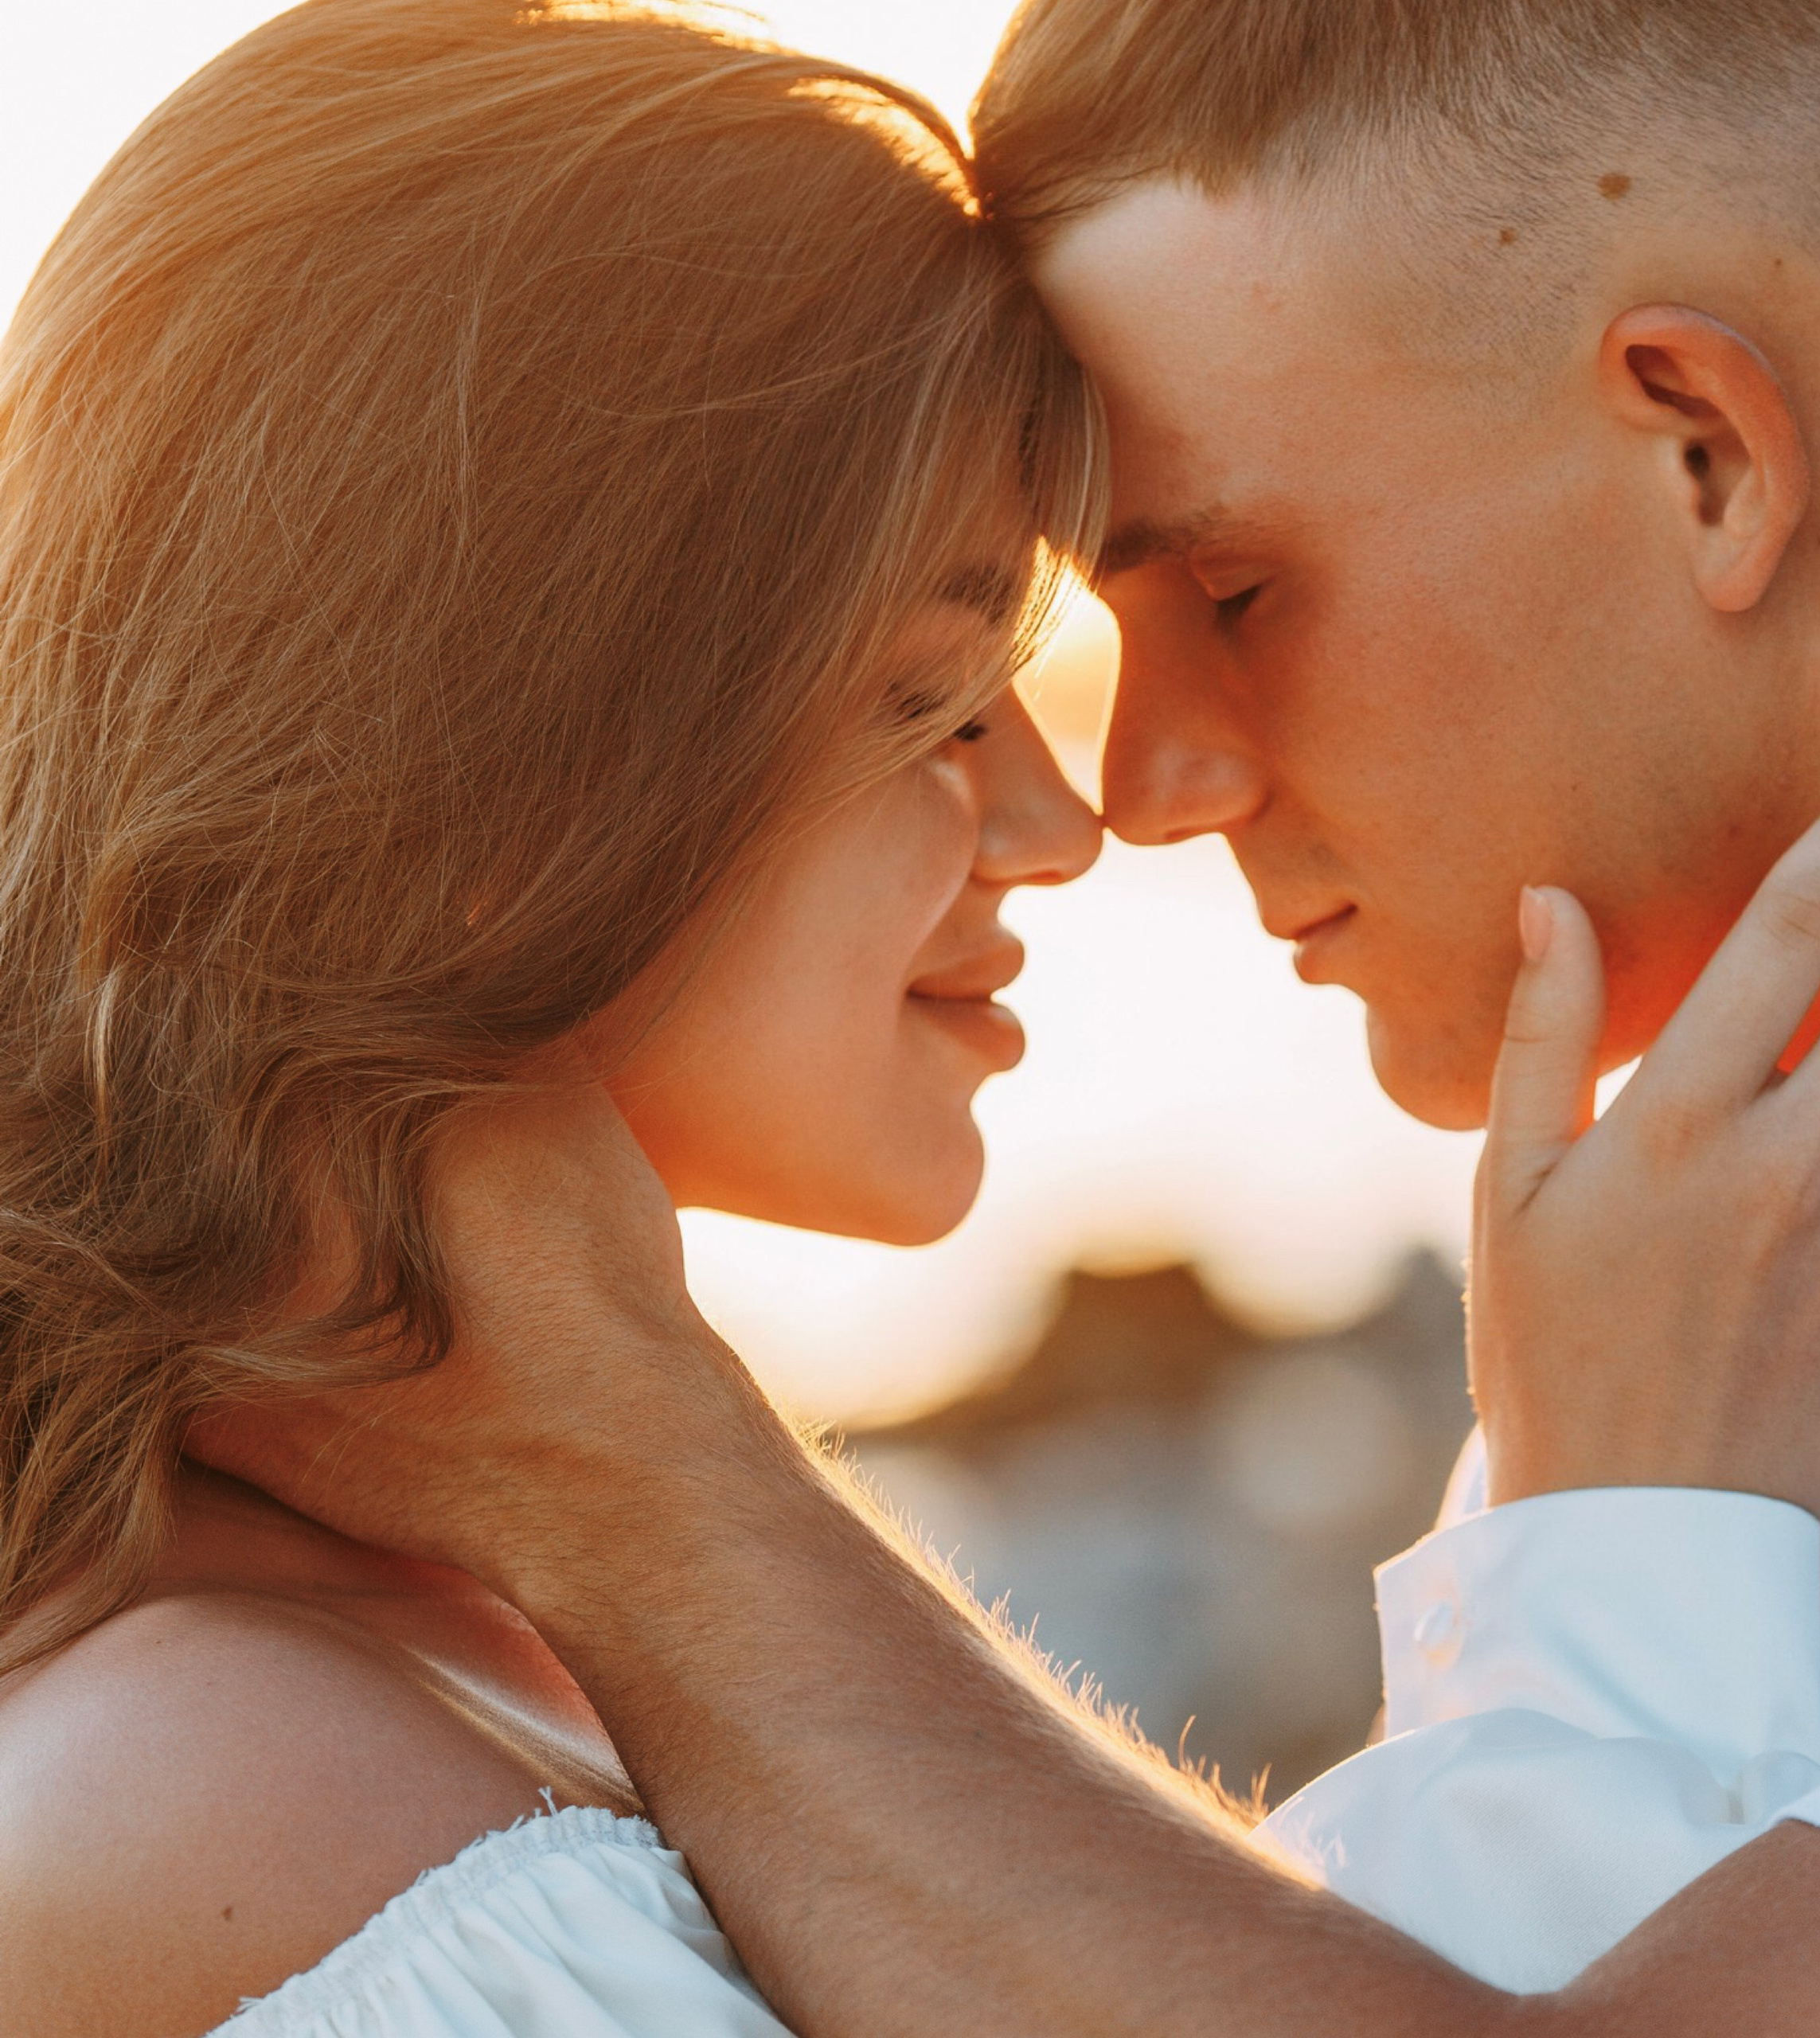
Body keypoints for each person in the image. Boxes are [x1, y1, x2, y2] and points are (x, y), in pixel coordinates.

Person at [188, 0, 1820, 2033]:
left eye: (1235, 588)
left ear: (1703, 449)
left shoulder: (1649, 1449)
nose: (1135, 792)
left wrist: (634, 1474)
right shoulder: (1680, 1353)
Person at [0, 3, 1104, 2031]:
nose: (1058, 817)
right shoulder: (243, 1787)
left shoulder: (450, 1647)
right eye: (930, 695)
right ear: (497, 742)